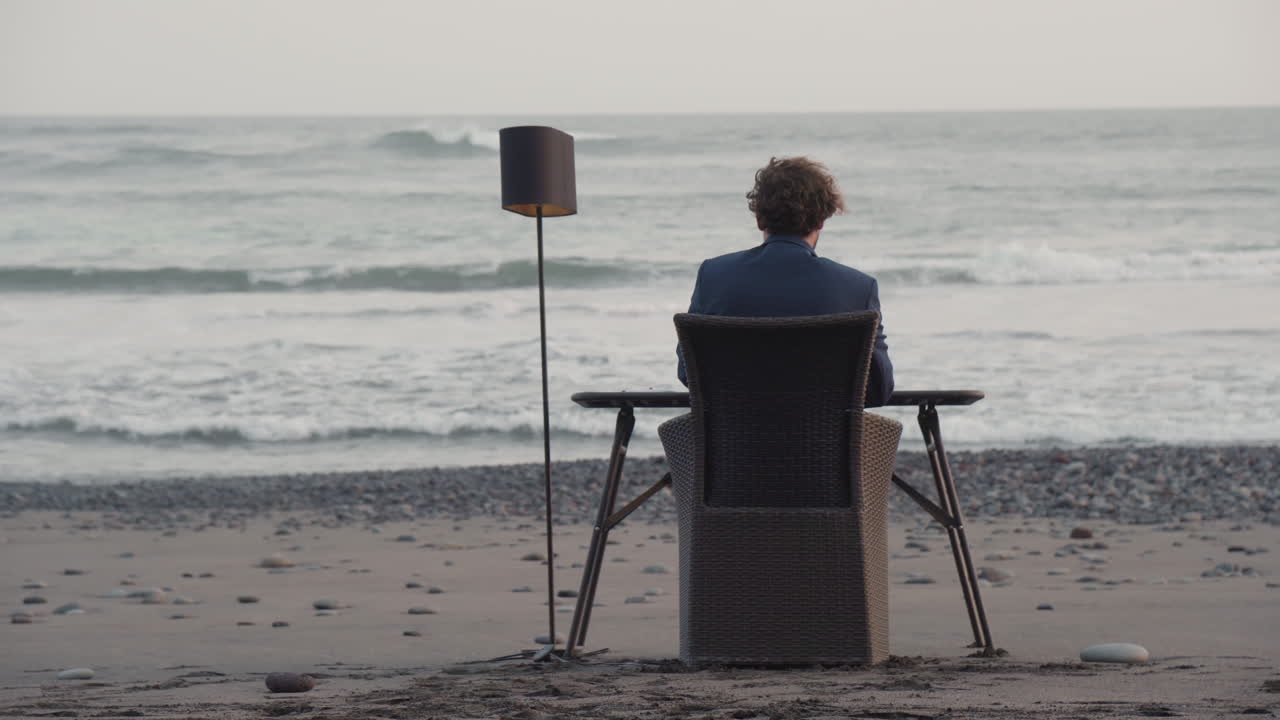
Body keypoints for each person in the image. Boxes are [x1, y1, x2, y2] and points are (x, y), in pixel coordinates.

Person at [676, 156, 894, 407]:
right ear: (821, 220)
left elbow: (688, 372)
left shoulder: (714, 275)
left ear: (760, 219)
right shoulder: (857, 288)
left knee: (675, 428)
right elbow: (880, 389)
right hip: (825, 432)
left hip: (732, 431)